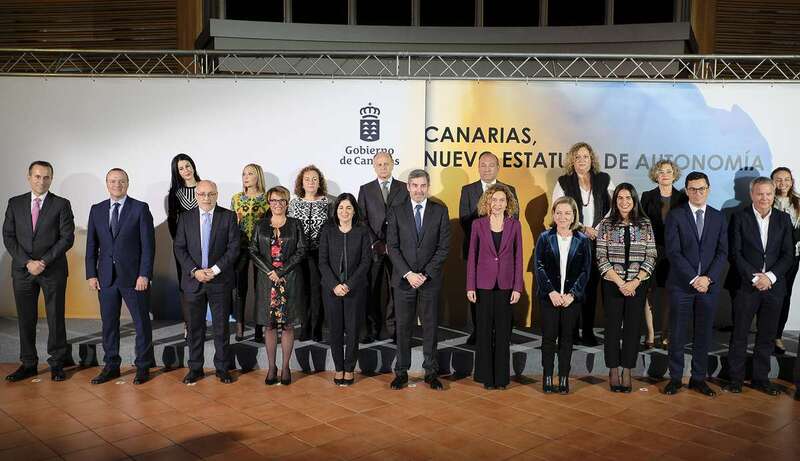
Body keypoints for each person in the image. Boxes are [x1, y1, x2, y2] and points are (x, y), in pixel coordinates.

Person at [3, 161, 75, 382]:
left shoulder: (61, 204)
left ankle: (57, 363)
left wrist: (43, 261)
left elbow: (67, 238)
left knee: (55, 317)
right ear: (29, 177)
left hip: (52, 269)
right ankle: (28, 363)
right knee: (26, 318)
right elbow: (8, 236)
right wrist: (27, 262)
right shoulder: (14, 203)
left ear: (51, 179)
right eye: (37, 176)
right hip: (23, 271)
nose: (41, 181)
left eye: (46, 177)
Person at [723, 177, 793, 395]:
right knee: (740, 333)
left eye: (768, 194)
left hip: (774, 286)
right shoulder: (739, 217)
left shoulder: (783, 219)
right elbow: (735, 253)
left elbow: (788, 254)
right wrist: (755, 278)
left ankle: (761, 379)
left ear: (774, 195)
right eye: (760, 194)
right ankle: (735, 379)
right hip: (746, 285)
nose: (764, 198)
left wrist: (770, 277)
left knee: (767, 335)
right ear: (752, 195)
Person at [85, 168, 155, 385]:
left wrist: (144, 274)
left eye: (121, 181)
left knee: (141, 323)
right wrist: (91, 274)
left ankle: (143, 366)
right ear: (107, 184)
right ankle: (111, 365)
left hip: (134, 278)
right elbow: (91, 245)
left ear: (128, 183)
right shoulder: (97, 210)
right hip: (105, 278)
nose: (117, 185)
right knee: (109, 324)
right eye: (113, 181)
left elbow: (148, 247)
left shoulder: (140, 209)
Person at [663, 171, 728, 397]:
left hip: (709, 286)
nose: (697, 193)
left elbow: (723, 252)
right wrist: (693, 278)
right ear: (687, 190)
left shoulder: (718, 217)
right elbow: (673, 252)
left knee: (703, 334)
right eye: (692, 189)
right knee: (677, 333)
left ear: (708, 189)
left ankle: (699, 379)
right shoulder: (675, 215)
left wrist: (707, 279)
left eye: (701, 188)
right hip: (682, 285)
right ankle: (675, 378)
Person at [386, 169, 450, 390]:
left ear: (428, 186)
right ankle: (401, 372)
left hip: (429, 281)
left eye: (423, 185)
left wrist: (424, 274)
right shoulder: (396, 212)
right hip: (404, 281)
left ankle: (431, 373)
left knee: (430, 328)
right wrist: (409, 274)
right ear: (408, 187)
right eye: (415, 185)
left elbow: (443, 248)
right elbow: (392, 247)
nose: (419, 190)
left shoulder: (440, 211)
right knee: (403, 328)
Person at [174, 180, 240, 384]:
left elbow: (233, 248)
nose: (206, 198)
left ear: (217, 194)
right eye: (202, 194)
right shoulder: (185, 218)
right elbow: (179, 248)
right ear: (196, 195)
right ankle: (195, 368)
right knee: (195, 328)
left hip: (219, 281)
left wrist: (214, 270)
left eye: (210, 194)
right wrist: (195, 271)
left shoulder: (228, 217)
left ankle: (222, 368)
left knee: (221, 327)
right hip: (193, 281)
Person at [552, 142, 614, 346]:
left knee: (590, 288)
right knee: (571, 286)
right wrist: (583, 228)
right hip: (572, 239)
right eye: (577, 157)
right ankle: (570, 332)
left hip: (599, 240)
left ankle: (587, 331)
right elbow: (558, 210)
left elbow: (615, 207)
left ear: (591, 159)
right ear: (572, 160)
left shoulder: (604, 179)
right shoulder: (563, 182)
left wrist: (598, 228)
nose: (582, 160)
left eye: (585, 157)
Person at [596, 184, 657, 393]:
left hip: (637, 285)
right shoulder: (605, 224)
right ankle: (613, 369)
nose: (624, 202)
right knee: (612, 328)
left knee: (633, 329)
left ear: (634, 200)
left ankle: (627, 370)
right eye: (620, 198)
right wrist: (621, 282)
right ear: (615, 201)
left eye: (628, 198)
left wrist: (635, 282)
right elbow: (601, 256)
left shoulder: (645, 224)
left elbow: (651, 255)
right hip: (613, 284)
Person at [466, 184, 523, 390]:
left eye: (502, 200)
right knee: (483, 331)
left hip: (506, 286)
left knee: (502, 332)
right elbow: (472, 256)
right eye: (494, 200)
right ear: (487, 202)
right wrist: (470, 285)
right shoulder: (478, 225)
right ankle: (485, 376)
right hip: (483, 285)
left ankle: (501, 378)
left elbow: (518, 257)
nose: (498, 204)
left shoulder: (514, 225)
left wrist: (517, 287)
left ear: (508, 203)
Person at [459, 152, 518, 346]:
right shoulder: (468, 190)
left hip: (504, 252)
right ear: (478, 167)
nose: (486, 168)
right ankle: (478, 331)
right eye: (483, 165)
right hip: (478, 252)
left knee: (503, 296)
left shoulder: (509, 190)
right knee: (478, 295)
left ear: (497, 167)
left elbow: (514, 220)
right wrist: (485, 220)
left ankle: (503, 332)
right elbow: (464, 221)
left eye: (491, 165)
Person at [534, 197, 592, 394]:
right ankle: (548, 375)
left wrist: (572, 295)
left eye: (567, 213)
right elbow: (539, 267)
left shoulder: (582, 240)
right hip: (549, 298)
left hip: (571, 300)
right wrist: (550, 291)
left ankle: (564, 377)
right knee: (549, 338)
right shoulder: (544, 237)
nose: (563, 217)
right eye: (559, 212)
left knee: (567, 338)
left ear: (574, 215)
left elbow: (586, 271)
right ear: (553, 214)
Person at [251, 186, 307, 386]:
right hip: (268, 282)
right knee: (270, 325)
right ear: (269, 202)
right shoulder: (260, 224)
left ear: (287, 203)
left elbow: (301, 251)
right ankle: (272, 367)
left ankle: (285, 368)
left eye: (281, 200)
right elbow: (253, 250)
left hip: (289, 280)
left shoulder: (295, 224)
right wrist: (270, 271)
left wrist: (281, 272)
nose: (277, 204)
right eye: (273, 200)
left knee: (289, 324)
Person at [318, 193, 372, 386]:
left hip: (355, 289)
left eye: (349, 208)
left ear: (354, 210)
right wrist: (335, 285)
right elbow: (322, 262)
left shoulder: (362, 231)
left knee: (352, 330)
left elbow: (366, 262)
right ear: (336, 210)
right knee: (335, 330)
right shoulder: (327, 230)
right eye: (341, 207)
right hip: (331, 290)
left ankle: (349, 369)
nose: (344, 211)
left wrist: (348, 284)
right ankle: (338, 368)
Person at [357, 150, 408, 343]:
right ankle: (372, 329)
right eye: (379, 164)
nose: (383, 167)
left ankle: (395, 331)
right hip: (374, 249)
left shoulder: (404, 188)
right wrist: (376, 242)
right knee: (372, 290)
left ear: (393, 164)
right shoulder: (365, 189)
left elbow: (407, 218)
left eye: (386, 164)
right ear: (374, 166)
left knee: (398, 290)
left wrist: (392, 244)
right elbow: (361, 219)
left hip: (398, 249)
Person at [640, 160, 686, 350]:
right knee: (649, 292)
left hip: (673, 252)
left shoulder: (682, 198)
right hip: (651, 250)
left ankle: (665, 334)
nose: (665, 174)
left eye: (669, 171)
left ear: (674, 175)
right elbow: (640, 224)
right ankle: (650, 333)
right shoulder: (647, 196)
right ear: (655, 175)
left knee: (669, 292)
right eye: (661, 171)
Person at [288, 165, 331, 342]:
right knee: (301, 292)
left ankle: (316, 328)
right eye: (307, 179)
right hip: (299, 254)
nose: (311, 182)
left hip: (319, 254)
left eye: (314, 179)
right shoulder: (294, 203)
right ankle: (304, 327)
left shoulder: (327, 203)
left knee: (317, 290)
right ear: (301, 182)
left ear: (319, 182)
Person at [231, 164, 269, 342]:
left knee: (260, 289)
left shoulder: (267, 199)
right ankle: (239, 327)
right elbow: (231, 226)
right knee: (240, 288)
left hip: (261, 248)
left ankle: (259, 329)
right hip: (240, 247)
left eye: (250, 173)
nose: (246, 177)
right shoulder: (236, 198)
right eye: (243, 174)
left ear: (258, 177)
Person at [167, 153, 201, 339]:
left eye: (187, 166)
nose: (186, 170)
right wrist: (181, 244)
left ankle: (203, 323)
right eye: (181, 168)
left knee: (206, 285)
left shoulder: (205, 186)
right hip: (184, 247)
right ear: (177, 172)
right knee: (187, 286)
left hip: (206, 245)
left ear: (193, 166)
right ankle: (189, 325)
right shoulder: (175, 193)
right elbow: (173, 221)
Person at [770, 167, 800, 355]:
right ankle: (765, 334)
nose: (783, 183)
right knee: (768, 297)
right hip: (772, 258)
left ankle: (777, 335)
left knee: (785, 296)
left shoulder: (798, 203)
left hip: (793, 258)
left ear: (791, 181)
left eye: (786, 179)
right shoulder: (766, 199)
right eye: (778, 180)